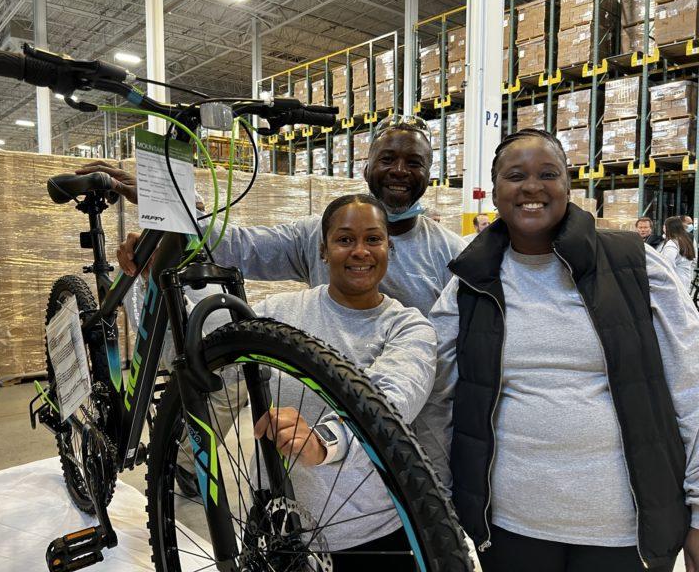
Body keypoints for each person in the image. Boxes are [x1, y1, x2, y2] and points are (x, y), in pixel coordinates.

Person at [421, 128, 699, 572]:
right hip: (510, 531)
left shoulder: (633, 264)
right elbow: (435, 396)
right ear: (494, 191)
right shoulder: (470, 283)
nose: (532, 187)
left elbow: (692, 384)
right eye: (515, 175)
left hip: (625, 534)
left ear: (569, 187)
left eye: (548, 173)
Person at [76, 115, 466, 317]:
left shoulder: (451, 255)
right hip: (319, 400)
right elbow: (238, 247)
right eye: (388, 158)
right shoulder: (319, 232)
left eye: (414, 162)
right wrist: (164, 216)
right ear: (366, 167)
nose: (400, 170)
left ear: (429, 173)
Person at [240, 194, 438, 570]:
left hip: (370, 536)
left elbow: (392, 399)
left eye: (373, 239)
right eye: (345, 239)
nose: (360, 251)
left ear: (388, 249)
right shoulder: (277, 313)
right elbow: (199, 351)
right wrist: (151, 274)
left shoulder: (409, 327)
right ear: (323, 250)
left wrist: (324, 441)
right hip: (276, 524)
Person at [659, 215, 696, 293]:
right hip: (684, 281)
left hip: (674, 284)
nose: (663, 228)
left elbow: (667, 265)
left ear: (669, 228)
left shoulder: (672, 243)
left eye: (664, 226)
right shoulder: (685, 241)